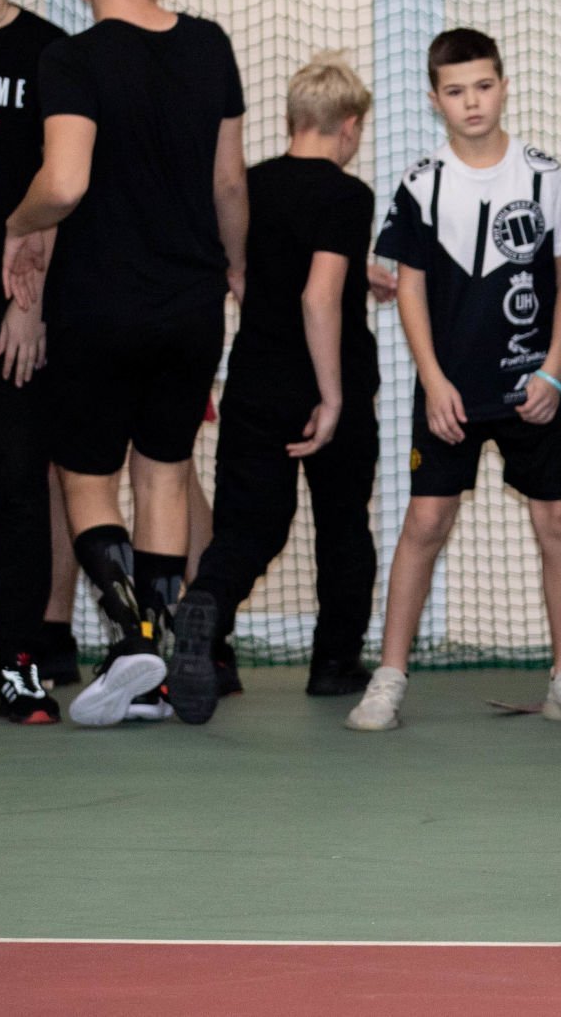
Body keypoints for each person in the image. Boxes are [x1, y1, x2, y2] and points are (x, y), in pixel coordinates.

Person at [2, 0, 248, 728]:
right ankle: (156, 667)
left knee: (86, 476)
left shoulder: (71, 58)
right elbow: (229, 183)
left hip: (98, 304)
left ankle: (138, 634)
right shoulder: (210, 45)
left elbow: (65, 182)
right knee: (166, 471)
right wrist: (236, 265)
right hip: (191, 305)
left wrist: (17, 222)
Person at [347, 28, 561, 731]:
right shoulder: (421, 183)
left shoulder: (543, 174)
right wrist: (432, 380)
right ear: (435, 100)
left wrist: (553, 368)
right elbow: (410, 286)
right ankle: (388, 680)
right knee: (426, 520)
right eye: (456, 91)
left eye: (484, 86)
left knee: (559, 520)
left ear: (504, 86)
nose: (473, 101)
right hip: (451, 390)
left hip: (536, 386)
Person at [169, 54, 380, 720]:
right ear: (350, 126)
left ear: (293, 120)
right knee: (343, 526)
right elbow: (319, 297)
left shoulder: (251, 187)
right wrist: (332, 396)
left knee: (248, 525)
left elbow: (255, 270)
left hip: (256, 381)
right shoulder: (347, 196)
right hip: (325, 382)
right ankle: (334, 663)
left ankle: (206, 611)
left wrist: (360, 273)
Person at [0, 0, 63, 724]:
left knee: (16, 484)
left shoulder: (49, 52)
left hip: (13, 312)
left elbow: (62, 191)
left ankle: (19, 663)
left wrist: (31, 307)